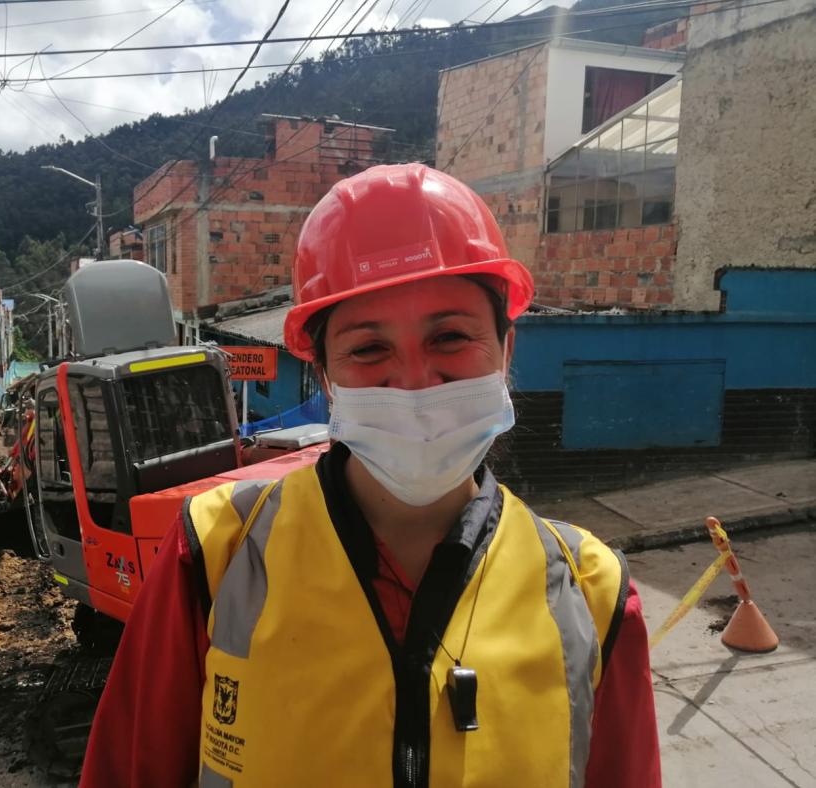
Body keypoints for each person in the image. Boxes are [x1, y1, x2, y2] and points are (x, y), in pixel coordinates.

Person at [80, 163, 660, 788]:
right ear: (325, 377)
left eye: (451, 336)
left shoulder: (593, 595)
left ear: (506, 350)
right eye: (367, 348)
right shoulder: (216, 556)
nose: (414, 381)